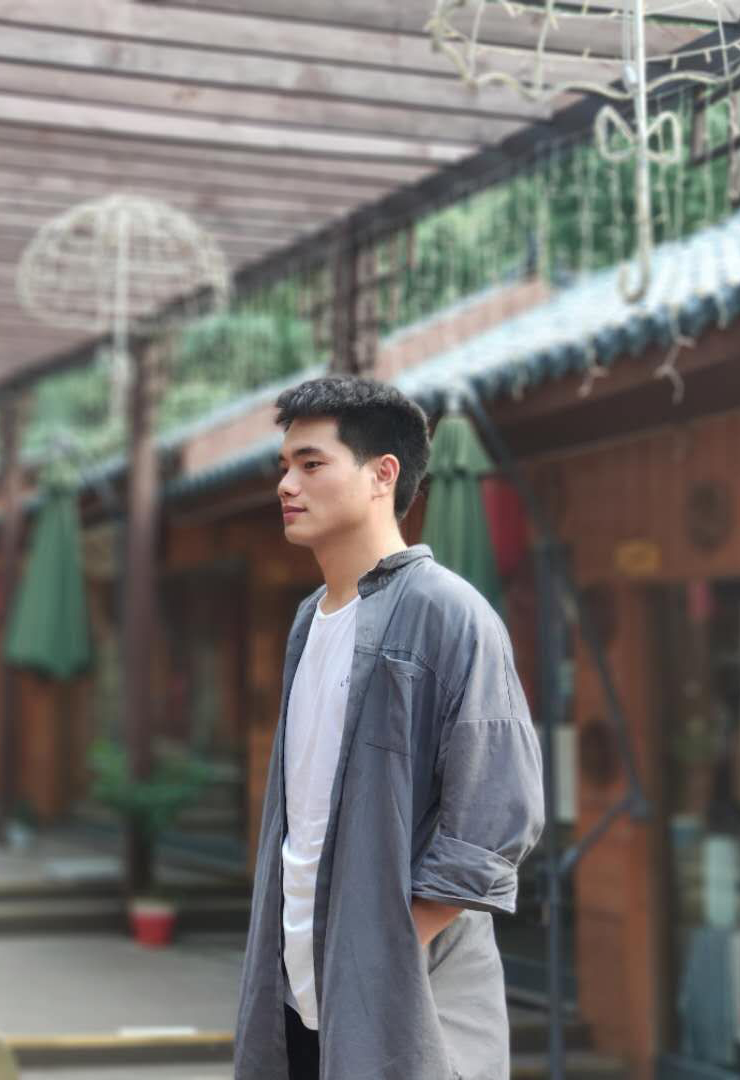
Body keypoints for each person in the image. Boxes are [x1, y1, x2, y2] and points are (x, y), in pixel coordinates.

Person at [234, 375, 545, 1080]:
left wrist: (385, 945)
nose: (286, 484)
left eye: (311, 463)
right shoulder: (307, 621)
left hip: (406, 1009)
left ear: (383, 474)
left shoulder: (448, 612)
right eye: (284, 466)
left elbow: (497, 817)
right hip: (295, 995)